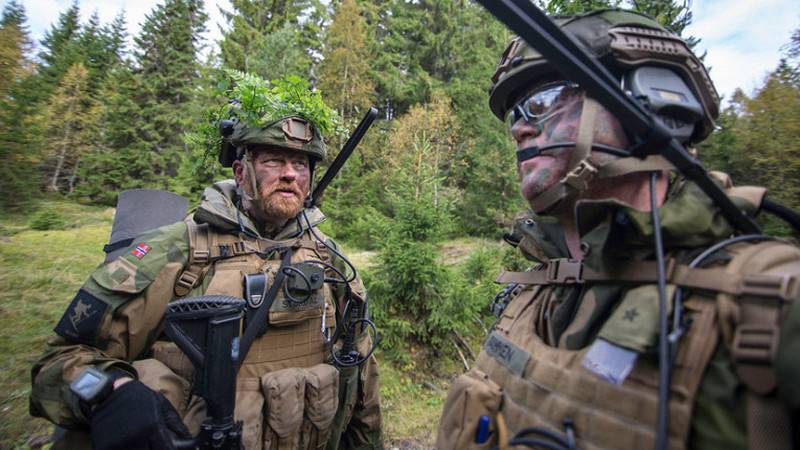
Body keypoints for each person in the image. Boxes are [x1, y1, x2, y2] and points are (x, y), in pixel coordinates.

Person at [437, 8, 799, 450]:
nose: (519, 128)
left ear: (655, 109)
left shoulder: (774, 303)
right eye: (515, 112)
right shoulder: (535, 294)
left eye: (544, 101)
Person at [29, 76, 382, 450]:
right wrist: (111, 394)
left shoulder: (330, 260)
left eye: (300, 163)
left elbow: (361, 380)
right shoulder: (179, 251)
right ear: (240, 172)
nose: (290, 173)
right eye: (273, 159)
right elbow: (59, 361)